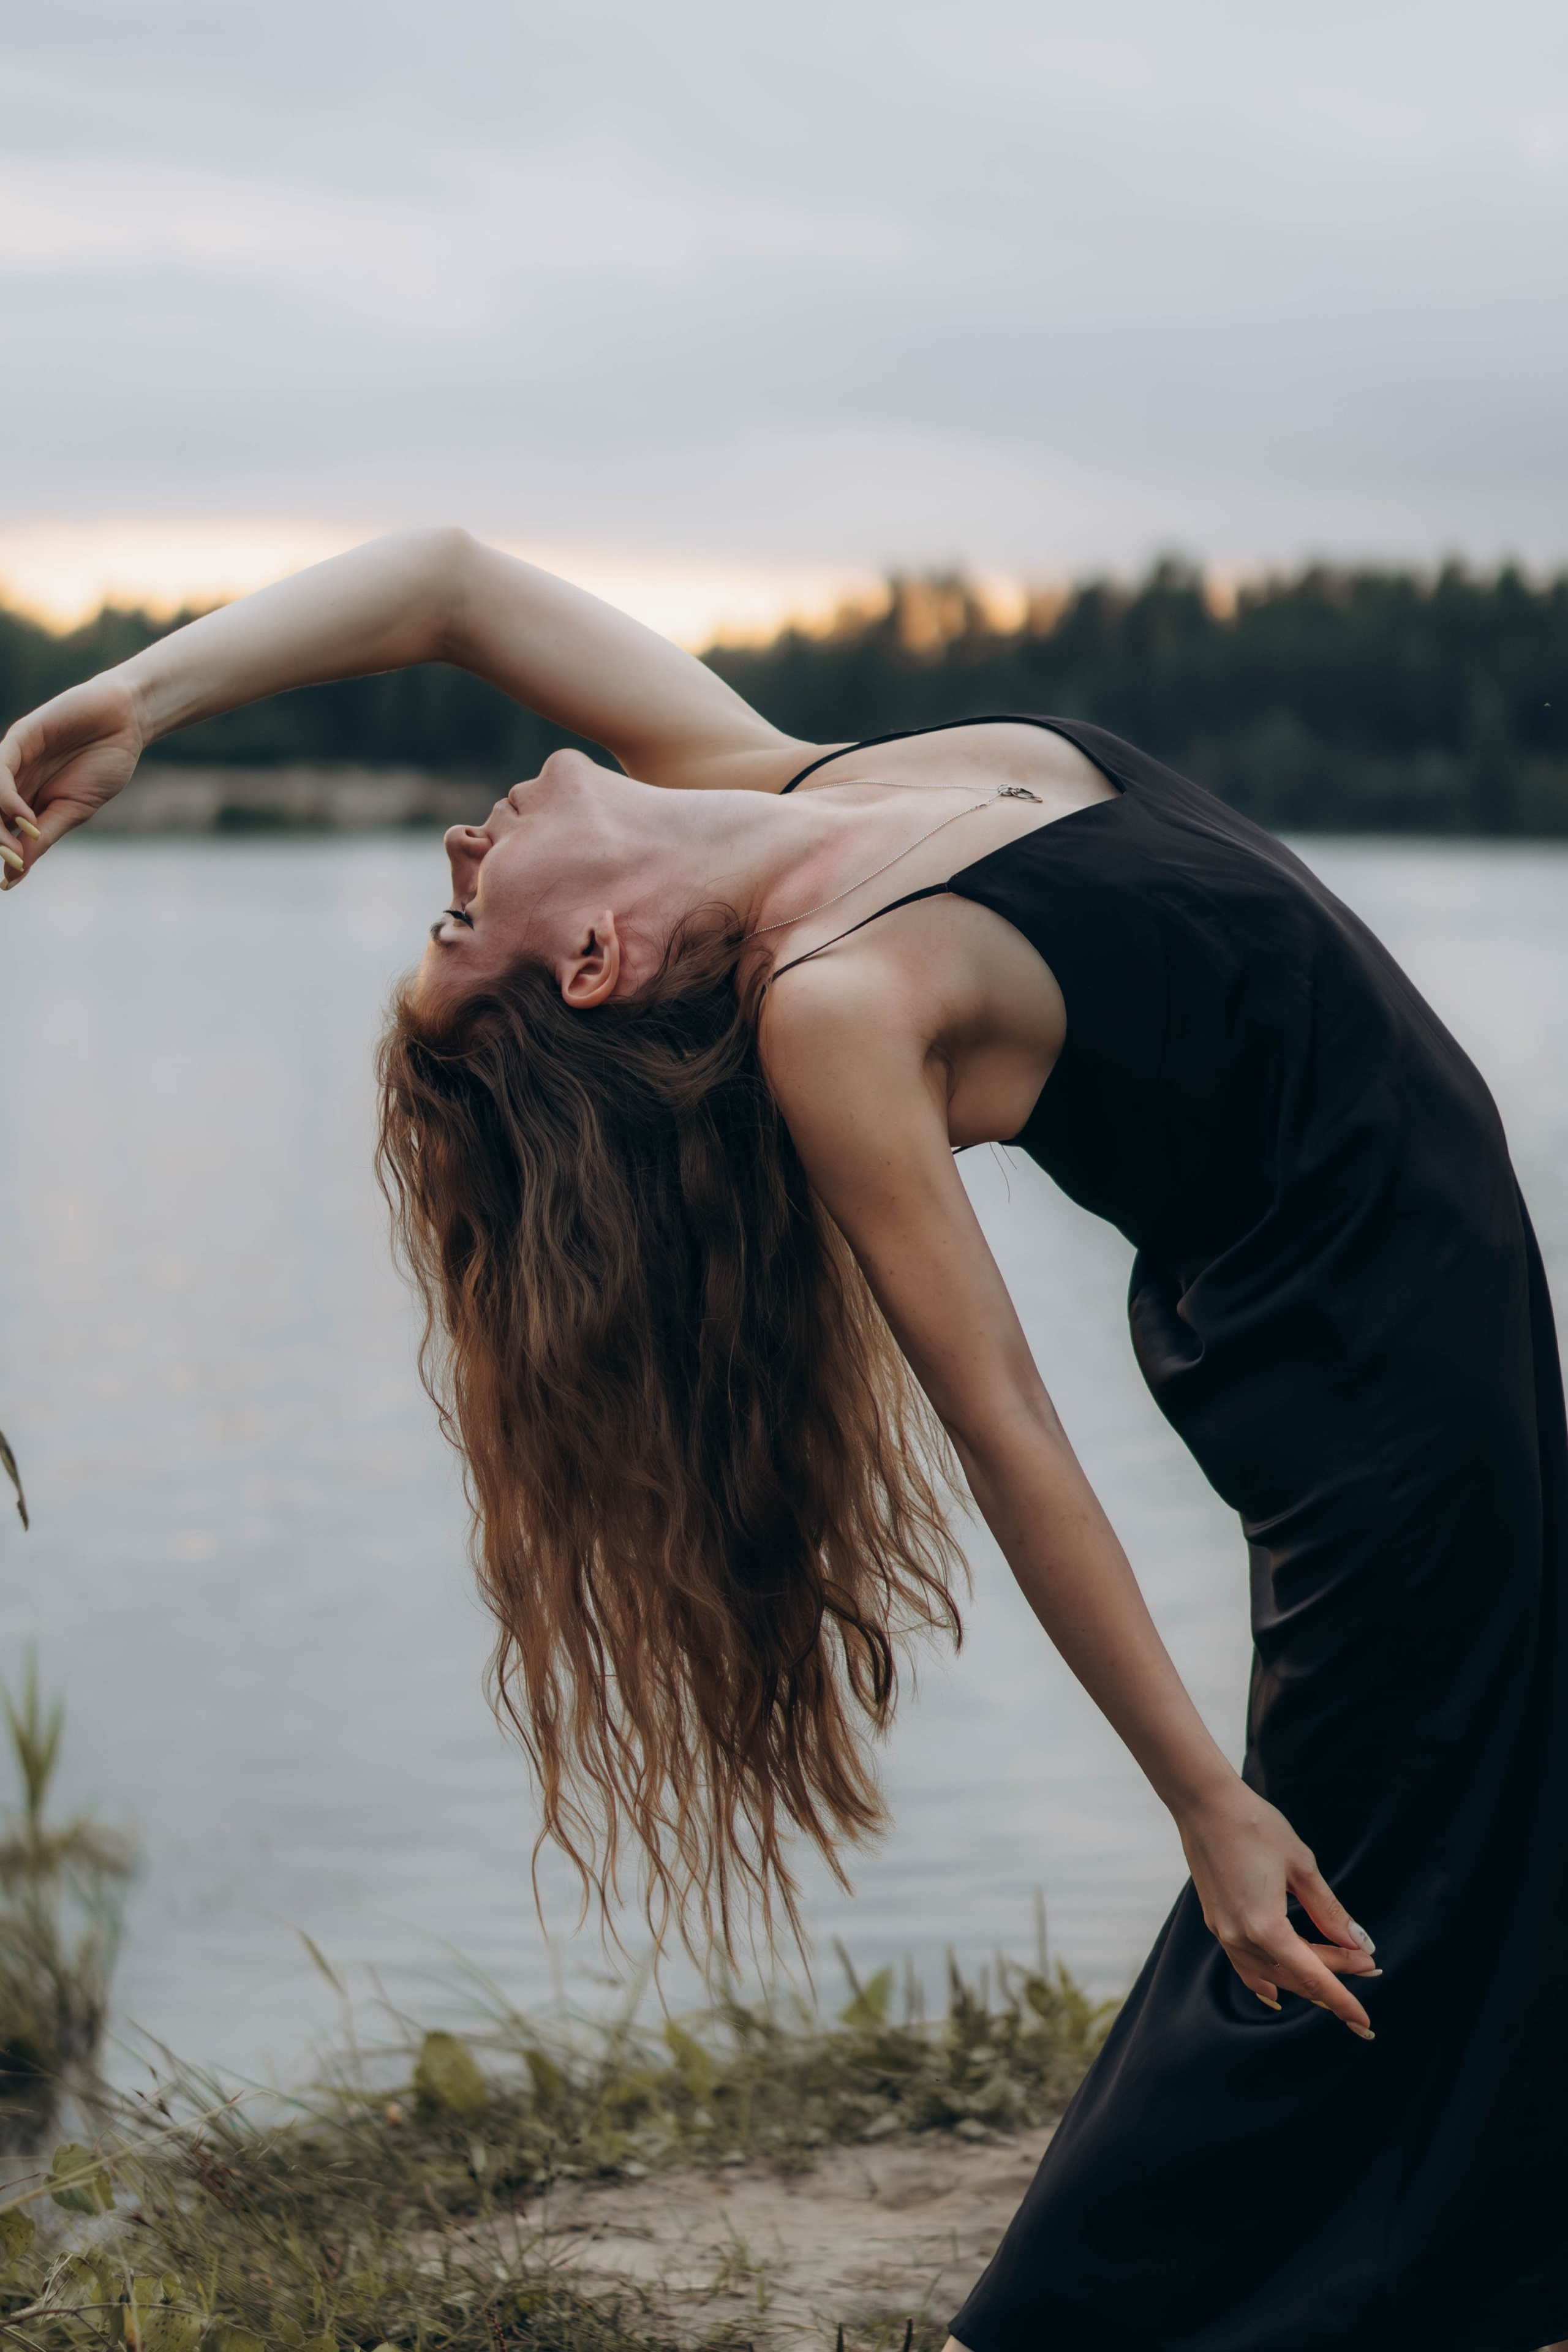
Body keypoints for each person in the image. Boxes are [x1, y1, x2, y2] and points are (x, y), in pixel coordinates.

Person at [2, 528, 1564, 2352]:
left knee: (1467, 1863)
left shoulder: (807, 788)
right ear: (590, 961)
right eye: (457, 920)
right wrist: (1200, 1801)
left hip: (1435, 1309)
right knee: (1352, 1910)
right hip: (1372, 1401)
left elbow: (446, 585)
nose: (456, 846)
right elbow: (1007, 1431)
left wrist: (136, 701)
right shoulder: (837, 1001)